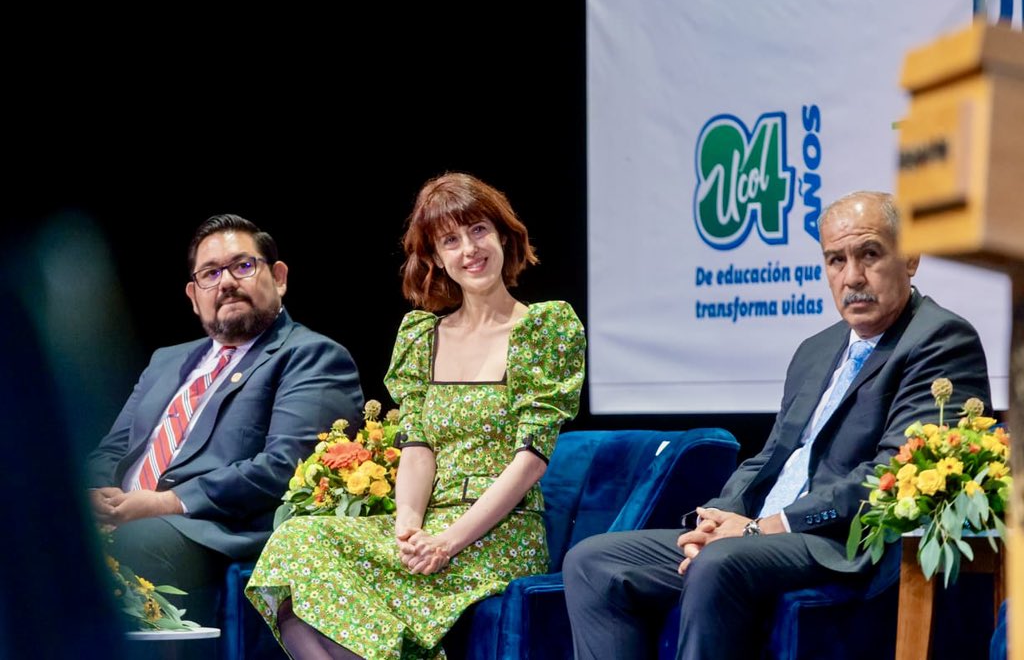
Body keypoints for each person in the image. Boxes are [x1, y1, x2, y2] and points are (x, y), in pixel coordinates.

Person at [562, 191, 992, 660]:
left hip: (840, 544)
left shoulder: (940, 339)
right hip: (759, 534)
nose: (852, 277)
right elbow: (772, 455)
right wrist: (718, 517)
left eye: (869, 254)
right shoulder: (816, 348)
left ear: (909, 258)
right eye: (836, 259)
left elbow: (891, 476)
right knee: (593, 562)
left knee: (721, 562)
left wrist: (768, 527)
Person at [245, 172, 586, 659]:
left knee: (313, 601)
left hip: (496, 534)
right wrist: (408, 525)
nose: (469, 249)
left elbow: (531, 460)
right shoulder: (421, 335)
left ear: (504, 236)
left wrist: (447, 542)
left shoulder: (544, 327)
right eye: (451, 240)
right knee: (294, 552)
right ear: (436, 258)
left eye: (478, 231)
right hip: (429, 522)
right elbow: (418, 447)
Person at [86, 214, 365, 627]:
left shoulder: (311, 356)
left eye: (243, 266)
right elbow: (115, 449)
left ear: (279, 276)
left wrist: (163, 503)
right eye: (210, 273)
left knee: (105, 549)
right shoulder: (167, 360)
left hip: (208, 531)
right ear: (193, 295)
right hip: (126, 516)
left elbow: (286, 467)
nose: (226, 282)